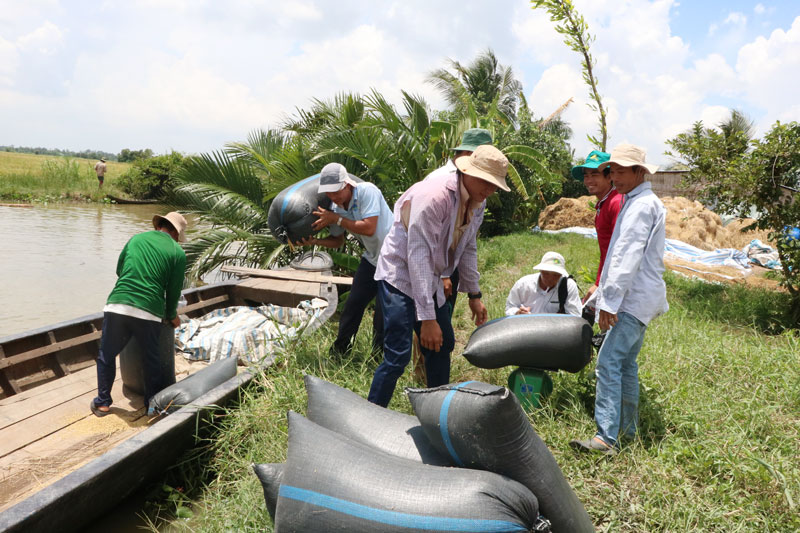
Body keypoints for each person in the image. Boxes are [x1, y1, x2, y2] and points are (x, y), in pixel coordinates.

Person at [368, 145, 509, 407]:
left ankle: (438, 415)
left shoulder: (477, 202)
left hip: (429, 277)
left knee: (442, 346)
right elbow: (417, 255)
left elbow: (468, 247)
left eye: (495, 185)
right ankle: (372, 412)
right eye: (485, 182)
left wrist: (474, 294)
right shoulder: (436, 196)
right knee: (397, 356)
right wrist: (428, 319)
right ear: (467, 171)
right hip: (399, 275)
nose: (489, 190)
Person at [570, 144, 668, 454]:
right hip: (637, 299)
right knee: (625, 365)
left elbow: (626, 258)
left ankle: (605, 437)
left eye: (623, 171)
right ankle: (627, 431)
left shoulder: (640, 206)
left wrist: (608, 304)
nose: (617, 176)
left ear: (640, 172)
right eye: (614, 170)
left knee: (608, 363)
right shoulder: (634, 201)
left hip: (631, 299)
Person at [90, 212, 188, 417]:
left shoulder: (136, 239)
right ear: (176, 234)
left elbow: (120, 269)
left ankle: (103, 403)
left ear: (159, 226)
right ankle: (151, 406)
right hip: (148, 313)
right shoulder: (177, 252)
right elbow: (173, 291)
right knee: (151, 360)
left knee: (106, 355)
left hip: (118, 304)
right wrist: (172, 315)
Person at [297, 162, 393, 357]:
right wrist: (315, 240)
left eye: (337, 191)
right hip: (372, 259)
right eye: (329, 193)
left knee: (383, 314)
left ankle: (379, 357)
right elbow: (338, 240)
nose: (333, 196)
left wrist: (336, 219)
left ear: (347, 184)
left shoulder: (367, 191)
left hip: (394, 259)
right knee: (353, 304)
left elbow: (369, 227)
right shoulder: (335, 208)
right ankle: (340, 351)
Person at [435, 128, 494, 313]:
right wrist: (441, 274)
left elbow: (468, 243)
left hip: (448, 269)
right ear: (469, 155)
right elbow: (429, 238)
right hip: (425, 269)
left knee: (437, 333)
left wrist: (474, 294)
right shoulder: (441, 183)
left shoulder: (478, 191)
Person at [570, 150, 622, 315]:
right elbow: (605, 251)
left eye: (594, 174)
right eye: (586, 176)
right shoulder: (602, 205)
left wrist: (603, 286)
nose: (588, 180)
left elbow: (618, 249)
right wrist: (598, 283)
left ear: (609, 177)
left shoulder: (615, 203)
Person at [504, 251, 582, 317]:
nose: (550, 279)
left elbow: (575, 315)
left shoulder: (568, 286)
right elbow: (510, 307)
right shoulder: (523, 284)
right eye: (546, 273)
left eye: (556, 275)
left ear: (561, 275)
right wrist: (518, 312)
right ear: (540, 270)